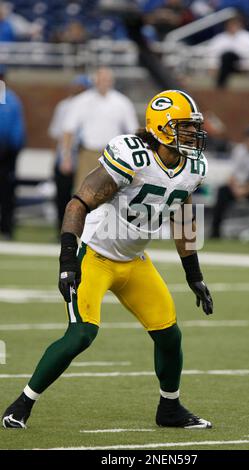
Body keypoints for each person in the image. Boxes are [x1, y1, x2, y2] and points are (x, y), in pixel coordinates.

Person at [2, 89, 214, 430]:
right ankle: (21, 404)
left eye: (193, 127)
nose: (192, 134)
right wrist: (68, 261)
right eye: (184, 127)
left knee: (169, 335)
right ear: (161, 128)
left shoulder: (193, 167)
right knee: (82, 334)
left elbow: (183, 215)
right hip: (95, 255)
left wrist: (194, 274)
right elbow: (77, 204)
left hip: (133, 260)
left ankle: (170, 409)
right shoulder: (133, 156)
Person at [61, 67, 139, 191]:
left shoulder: (122, 102)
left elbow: (133, 132)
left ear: (111, 81)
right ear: (95, 80)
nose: (103, 82)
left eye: (106, 79)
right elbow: (68, 130)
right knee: (83, 193)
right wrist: (66, 156)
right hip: (88, 153)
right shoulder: (81, 101)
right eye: (101, 79)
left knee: (111, 194)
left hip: (113, 156)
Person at [48, 75, 92, 234]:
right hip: (67, 155)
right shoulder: (64, 106)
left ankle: (80, 229)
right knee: (62, 194)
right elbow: (57, 134)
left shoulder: (90, 105)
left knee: (83, 195)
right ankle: (62, 228)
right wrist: (58, 158)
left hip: (83, 155)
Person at [0, 65, 26, 240]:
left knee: (7, 191)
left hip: (6, 153)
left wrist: (12, 148)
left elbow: (18, 130)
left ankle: (6, 229)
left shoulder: (11, 100)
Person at [207, 14, 249, 88]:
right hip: (222, 71)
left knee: (230, 57)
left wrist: (248, 69)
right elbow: (210, 60)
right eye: (230, 23)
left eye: (235, 23)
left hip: (246, 71)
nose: (233, 25)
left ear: (240, 24)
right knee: (227, 57)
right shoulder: (218, 39)